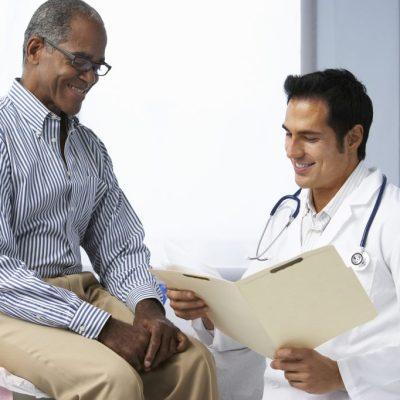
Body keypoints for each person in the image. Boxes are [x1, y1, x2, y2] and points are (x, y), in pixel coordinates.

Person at [0, 1, 218, 399]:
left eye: (97, 66)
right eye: (80, 61)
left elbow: (118, 245)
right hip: (10, 307)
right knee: (113, 379)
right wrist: (99, 325)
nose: (90, 77)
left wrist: (147, 308)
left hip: (77, 295)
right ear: (35, 50)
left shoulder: (89, 148)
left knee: (193, 362)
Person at [168, 69, 400, 399]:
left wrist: (341, 374)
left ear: (352, 138)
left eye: (310, 138)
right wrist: (207, 312)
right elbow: (254, 322)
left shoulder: (392, 218)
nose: (293, 151)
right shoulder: (286, 217)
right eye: (288, 134)